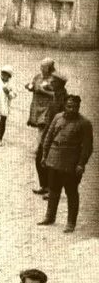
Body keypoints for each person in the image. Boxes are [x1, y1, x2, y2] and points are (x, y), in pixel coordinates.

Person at [37, 94, 91, 233]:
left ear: (79, 107)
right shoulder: (57, 117)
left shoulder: (84, 123)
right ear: (64, 106)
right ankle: (50, 217)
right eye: (69, 106)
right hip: (54, 160)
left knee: (71, 193)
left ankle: (71, 223)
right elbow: (48, 136)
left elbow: (87, 147)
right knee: (54, 190)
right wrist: (44, 156)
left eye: (75, 107)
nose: (72, 109)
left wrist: (81, 164)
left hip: (71, 165)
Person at [32, 69, 69, 196]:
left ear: (59, 83)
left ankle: (52, 190)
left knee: (52, 164)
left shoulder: (65, 99)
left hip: (56, 136)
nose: (51, 81)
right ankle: (44, 186)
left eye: (54, 80)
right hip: (47, 133)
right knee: (39, 158)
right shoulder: (55, 95)